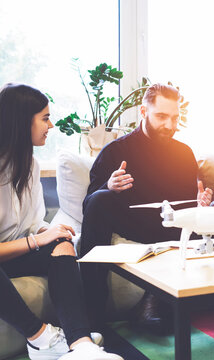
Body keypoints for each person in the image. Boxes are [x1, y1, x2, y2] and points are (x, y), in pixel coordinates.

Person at [0, 83, 122, 359]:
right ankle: (39, 337)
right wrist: (35, 240)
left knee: (62, 244)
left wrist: (51, 232)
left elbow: (32, 223)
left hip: (13, 253)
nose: (51, 125)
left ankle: (80, 345)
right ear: (21, 121)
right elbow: (30, 237)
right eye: (44, 117)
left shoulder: (29, 165)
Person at [79, 83, 213, 334]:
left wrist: (199, 204)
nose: (170, 125)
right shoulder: (115, 151)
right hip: (132, 222)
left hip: (169, 225)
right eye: (161, 117)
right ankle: (92, 314)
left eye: (174, 118)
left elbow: (187, 206)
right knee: (99, 199)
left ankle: (160, 303)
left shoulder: (184, 153)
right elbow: (88, 206)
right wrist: (108, 186)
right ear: (143, 112)